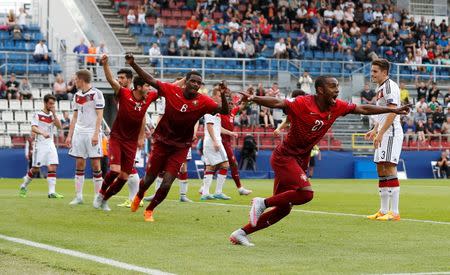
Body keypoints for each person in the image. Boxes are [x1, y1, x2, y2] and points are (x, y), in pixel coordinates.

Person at [229, 75, 410, 246]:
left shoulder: (336, 106)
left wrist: (392, 110)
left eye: (338, 86)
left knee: (284, 208)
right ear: (320, 90)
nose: (337, 90)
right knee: (306, 194)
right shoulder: (303, 103)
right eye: (332, 87)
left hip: (302, 158)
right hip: (285, 157)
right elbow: (277, 102)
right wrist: (253, 98)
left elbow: (363, 108)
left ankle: (241, 233)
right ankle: (262, 202)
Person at [126, 53, 229, 222]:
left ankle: (150, 210)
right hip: (161, 142)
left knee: (167, 182)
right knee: (149, 178)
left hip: (181, 146)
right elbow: (150, 80)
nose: (195, 84)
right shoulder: (171, 90)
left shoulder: (204, 101)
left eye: (198, 82)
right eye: (192, 81)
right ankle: (139, 195)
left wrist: (223, 95)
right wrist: (133, 64)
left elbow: (223, 111)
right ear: (185, 82)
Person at [94, 55, 157, 211]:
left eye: (122, 77)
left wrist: (184, 81)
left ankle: (105, 200)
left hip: (131, 142)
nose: (149, 88)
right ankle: (101, 194)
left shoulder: (147, 98)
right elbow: (110, 80)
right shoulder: (123, 93)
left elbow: (167, 89)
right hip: (116, 138)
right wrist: (105, 64)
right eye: (147, 86)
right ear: (139, 86)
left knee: (123, 176)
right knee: (115, 170)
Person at [365, 59, 406, 222]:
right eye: (372, 71)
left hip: (391, 132)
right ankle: (383, 210)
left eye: (375, 71)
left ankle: (394, 212)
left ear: (384, 72)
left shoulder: (390, 87)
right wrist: (375, 130)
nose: (372, 74)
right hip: (383, 131)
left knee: (389, 168)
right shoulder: (380, 87)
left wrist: (381, 132)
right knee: (380, 169)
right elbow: (382, 113)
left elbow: (393, 111)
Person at [65, 70, 105, 206]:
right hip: (79, 133)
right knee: (79, 163)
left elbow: (100, 115)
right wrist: (69, 135)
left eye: (76, 79)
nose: (74, 82)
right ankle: (78, 196)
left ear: (81, 80)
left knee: (95, 164)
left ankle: (97, 197)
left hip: (92, 132)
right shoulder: (76, 96)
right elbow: (75, 117)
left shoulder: (97, 94)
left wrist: (95, 133)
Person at [19, 94, 63, 199]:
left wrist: (55, 114)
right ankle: (23, 186)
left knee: (53, 166)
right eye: (50, 103)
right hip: (40, 144)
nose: (52, 105)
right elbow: (33, 128)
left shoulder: (52, 115)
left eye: (53, 104)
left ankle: (51, 192)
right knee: (35, 169)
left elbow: (59, 126)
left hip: (50, 143)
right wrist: (42, 132)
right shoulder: (37, 114)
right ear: (45, 103)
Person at [200, 88, 237, 200]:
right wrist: (215, 141)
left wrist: (230, 132)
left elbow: (217, 127)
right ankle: (217, 192)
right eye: (220, 96)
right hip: (212, 142)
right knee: (225, 165)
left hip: (213, 141)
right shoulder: (210, 108)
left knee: (210, 167)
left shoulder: (217, 111)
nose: (221, 98)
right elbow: (210, 126)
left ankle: (206, 193)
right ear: (214, 97)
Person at [220, 84, 252, 196]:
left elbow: (243, 105)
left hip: (227, 142)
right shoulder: (220, 114)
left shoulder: (232, 112)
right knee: (232, 163)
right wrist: (230, 133)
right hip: (221, 142)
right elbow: (217, 128)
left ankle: (205, 187)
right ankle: (240, 188)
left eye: (231, 104)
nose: (230, 106)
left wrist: (247, 96)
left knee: (220, 165)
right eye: (228, 104)